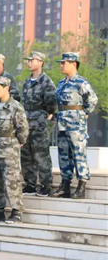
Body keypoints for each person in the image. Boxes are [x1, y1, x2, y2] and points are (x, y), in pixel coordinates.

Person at [53, 52, 98, 199]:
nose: (61, 65)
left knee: (79, 153)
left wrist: (84, 113)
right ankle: (65, 185)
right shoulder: (61, 83)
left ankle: (81, 185)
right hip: (62, 123)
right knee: (64, 154)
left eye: (64, 63)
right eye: (61, 63)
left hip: (76, 124)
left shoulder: (81, 82)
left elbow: (92, 100)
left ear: (74, 64)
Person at [0, 77, 29, 224]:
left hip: (10, 149)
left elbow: (23, 129)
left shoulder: (15, 107)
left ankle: (16, 211)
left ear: (6, 88)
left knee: (12, 180)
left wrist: (19, 142)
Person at [20, 52, 57, 198]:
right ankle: (30, 183)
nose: (29, 63)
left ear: (40, 62)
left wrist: (44, 116)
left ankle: (45, 184)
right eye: (28, 60)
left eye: (32, 60)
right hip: (27, 121)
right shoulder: (27, 82)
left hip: (40, 122)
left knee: (41, 154)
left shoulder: (46, 82)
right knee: (26, 154)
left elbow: (51, 104)